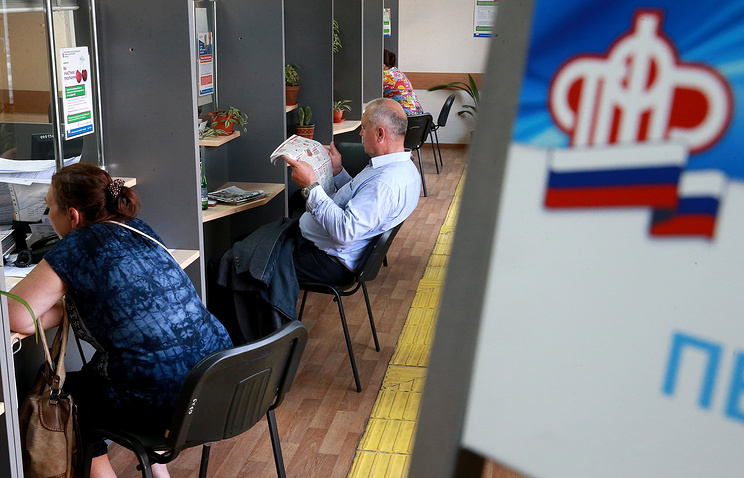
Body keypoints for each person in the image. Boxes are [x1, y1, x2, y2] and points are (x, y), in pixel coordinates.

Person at [8, 163, 232, 478]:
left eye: (50, 208)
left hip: (168, 398)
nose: (48, 215)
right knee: (148, 360)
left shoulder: (76, 246)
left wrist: (61, 305)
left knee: (70, 399)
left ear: (73, 216)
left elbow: (17, 314)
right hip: (217, 378)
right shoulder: (138, 228)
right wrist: (74, 303)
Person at [210, 98, 421, 342]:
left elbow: (344, 231)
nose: (361, 133)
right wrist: (337, 172)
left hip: (327, 260)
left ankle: (239, 344)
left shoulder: (384, 183)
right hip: (325, 248)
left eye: (364, 127)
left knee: (227, 263)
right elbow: (360, 203)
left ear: (381, 134)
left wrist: (311, 186)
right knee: (242, 247)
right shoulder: (402, 169)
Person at [383, 49, 424, 115]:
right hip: (417, 115)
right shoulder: (397, 72)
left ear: (383, 65)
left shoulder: (386, 75)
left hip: (403, 116)